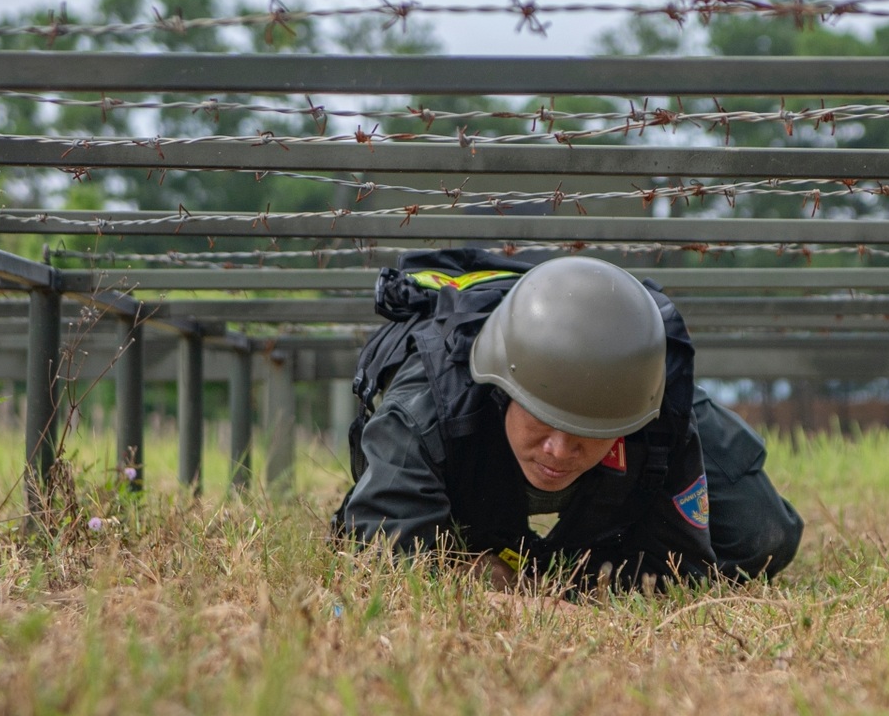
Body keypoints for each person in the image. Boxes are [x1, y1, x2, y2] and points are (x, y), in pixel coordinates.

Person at [333, 250, 804, 590]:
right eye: (540, 418)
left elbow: (681, 567)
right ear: (504, 391)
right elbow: (380, 556)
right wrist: (465, 571)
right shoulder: (430, 402)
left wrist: (595, 575)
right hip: (472, 437)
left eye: (585, 430)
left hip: (634, 390)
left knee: (761, 537)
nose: (558, 450)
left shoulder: (652, 404)